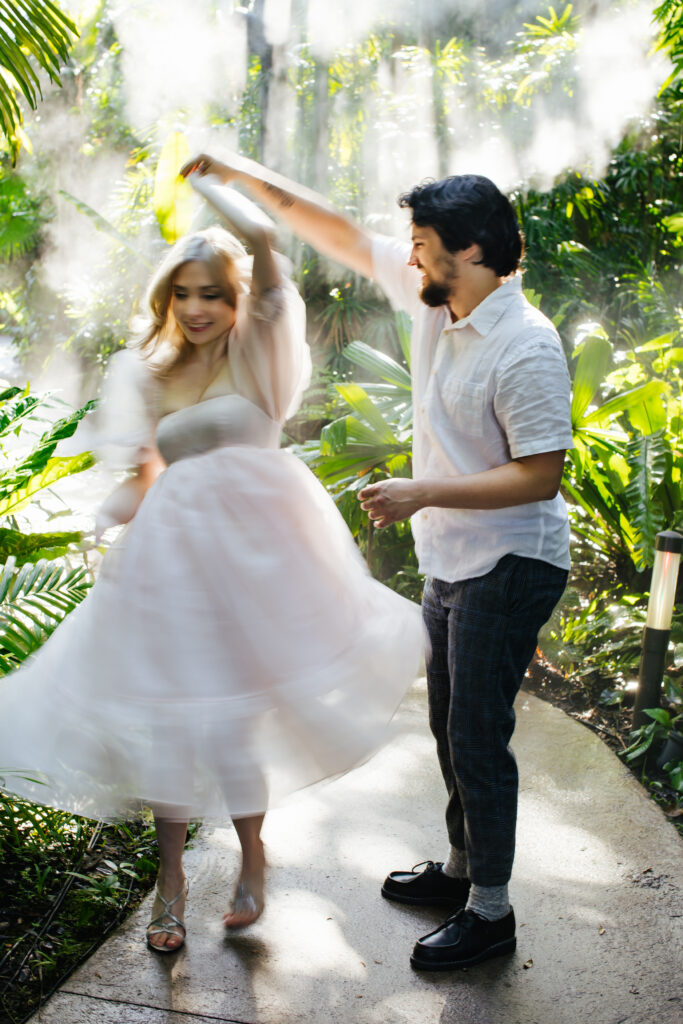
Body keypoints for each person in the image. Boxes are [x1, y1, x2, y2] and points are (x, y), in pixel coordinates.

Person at [0, 174, 424, 952]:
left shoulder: (260, 353)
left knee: (238, 713)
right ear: (169, 298)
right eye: (186, 294)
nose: (199, 309)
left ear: (237, 303)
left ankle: (252, 856)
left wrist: (212, 180)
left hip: (262, 561)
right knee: (171, 717)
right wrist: (101, 518)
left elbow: (264, 246)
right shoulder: (151, 372)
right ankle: (170, 884)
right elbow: (144, 482)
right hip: (172, 562)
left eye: (214, 296)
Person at [181, 153, 574, 970]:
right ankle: (465, 873)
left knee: (475, 733)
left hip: (510, 560)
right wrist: (239, 175)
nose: (408, 256)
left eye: (423, 242)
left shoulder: (525, 345)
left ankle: (491, 915)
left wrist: (420, 491)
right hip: (454, 557)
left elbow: (539, 474)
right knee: (445, 726)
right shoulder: (438, 303)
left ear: (468, 250)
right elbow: (337, 232)